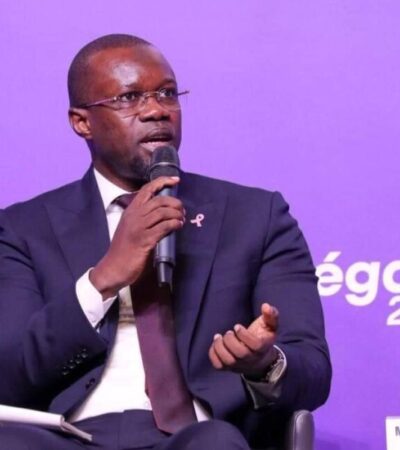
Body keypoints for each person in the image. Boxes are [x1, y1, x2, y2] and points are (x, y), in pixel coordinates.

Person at [0, 34, 331, 449]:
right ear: (82, 122)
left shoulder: (256, 216)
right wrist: (102, 280)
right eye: (129, 98)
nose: (157, 110)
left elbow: (313, 371)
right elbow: (8, 375)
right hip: (68, 437)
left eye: (167, 93)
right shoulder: (23, 230)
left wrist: (264, 363)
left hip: (197, 436)